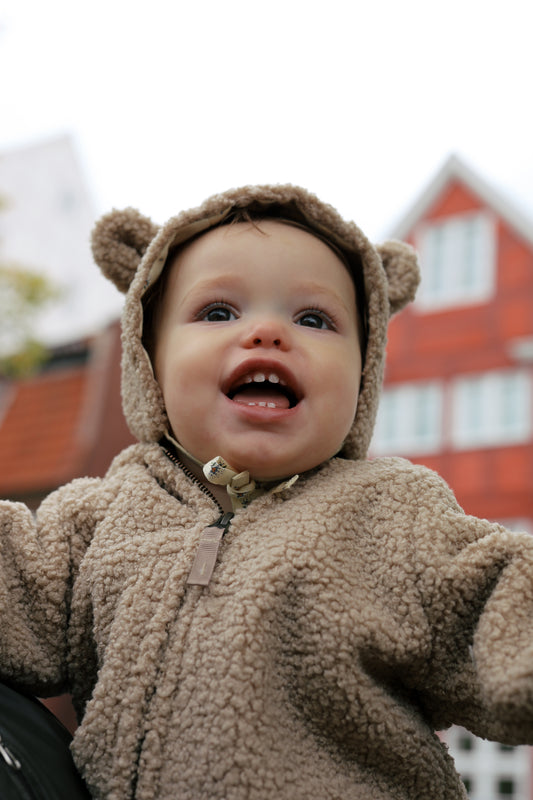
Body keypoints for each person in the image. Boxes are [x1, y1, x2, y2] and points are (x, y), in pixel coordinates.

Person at [1, 184, 533, 800]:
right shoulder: (97, 518)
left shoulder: (392, 515)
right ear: (149, 360)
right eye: (218, 312)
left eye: (314, 319)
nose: (267, 332)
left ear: (363, 375)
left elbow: (496, 591)